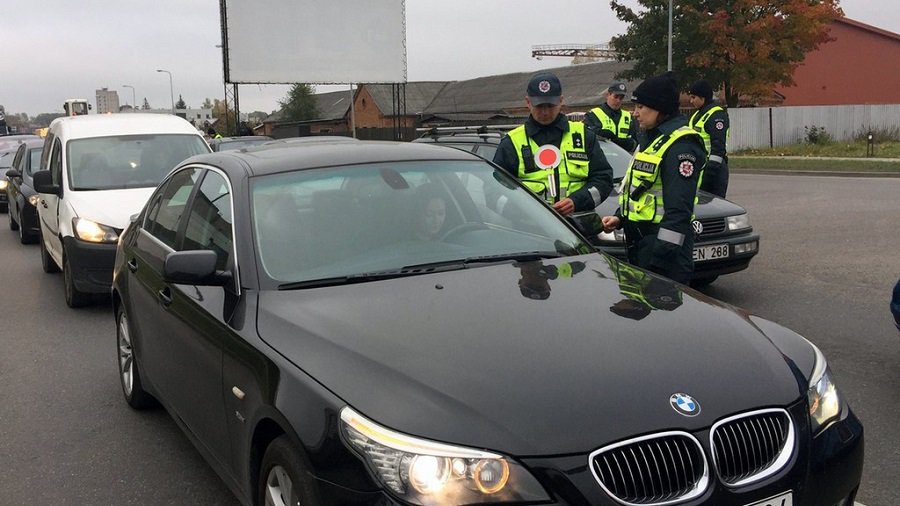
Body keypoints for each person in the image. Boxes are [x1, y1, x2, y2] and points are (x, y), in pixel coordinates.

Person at [600, 72, 707, 284]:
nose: (635, 113)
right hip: (642, 245)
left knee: (664, 313)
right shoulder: (651, 138)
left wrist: (658, 260)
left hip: (663, 255)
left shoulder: (680, 146)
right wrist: (620, 217)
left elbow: (679, 211)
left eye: (641, 107)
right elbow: (642, 190)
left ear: (659, 109)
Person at [492, 72, 614, 217]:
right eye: (539, 106)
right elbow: (494, 192)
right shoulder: (511, 142)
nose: (545, 112)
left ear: (561, 100)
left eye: (550, 105)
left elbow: (603, 180)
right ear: (528, 102)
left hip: (578, 228)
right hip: (531, 229)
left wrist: (577, 201)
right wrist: (525, 211)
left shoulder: (583, 135)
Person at [688, 79, 730, 197]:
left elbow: (718, 147)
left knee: (714, 209)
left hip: (713, 171)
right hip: (700, 168)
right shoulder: (697, 115)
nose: (691, 101)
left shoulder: (716, 115)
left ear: (703, 98)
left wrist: (709, 173)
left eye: (693, 97)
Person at [583, 81, 639, 152]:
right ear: (608, 95)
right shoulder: (593, 114)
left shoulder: (628, 117)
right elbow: (586, 137)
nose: (618, 101)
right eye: (616, 97)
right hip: (601, 158)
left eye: (621, 98)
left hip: (623, 158)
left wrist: (624, 142)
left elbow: (636, 143)